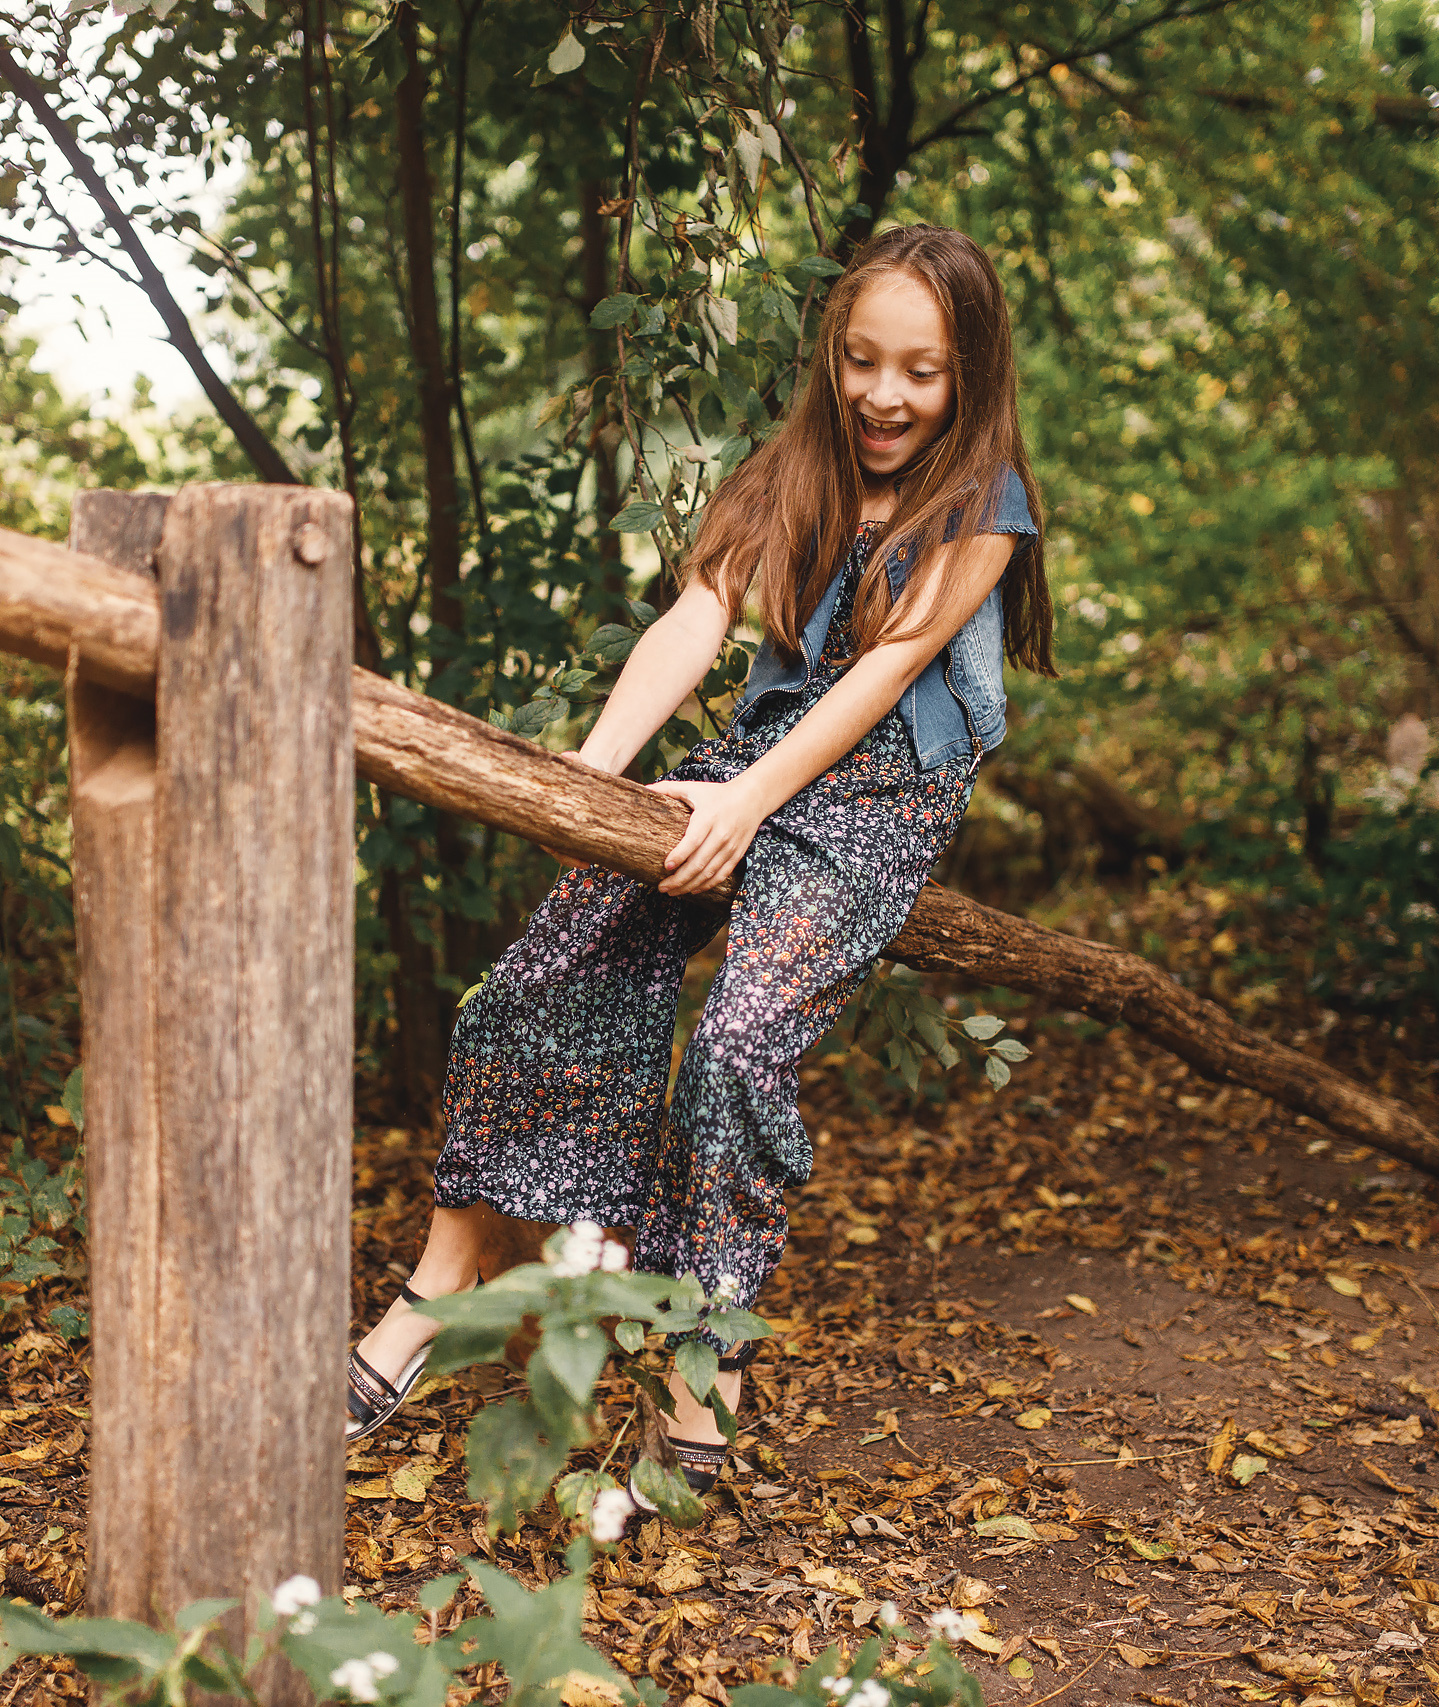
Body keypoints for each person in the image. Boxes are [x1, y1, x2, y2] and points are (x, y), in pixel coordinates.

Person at [345, 224, 1057, 1511]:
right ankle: (441, 1284)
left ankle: (701, 1349)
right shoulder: (792, 468)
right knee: (539, 973)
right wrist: (588, 781)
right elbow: (697, 617)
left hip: (877, 796)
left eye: (921, 372)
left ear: (970, 374)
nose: (883, 395)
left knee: (733, 1053)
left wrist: (748, 800)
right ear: (831, 354)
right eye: (861, 360)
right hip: (754, 759)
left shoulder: (984, 501)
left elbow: (890, 669)